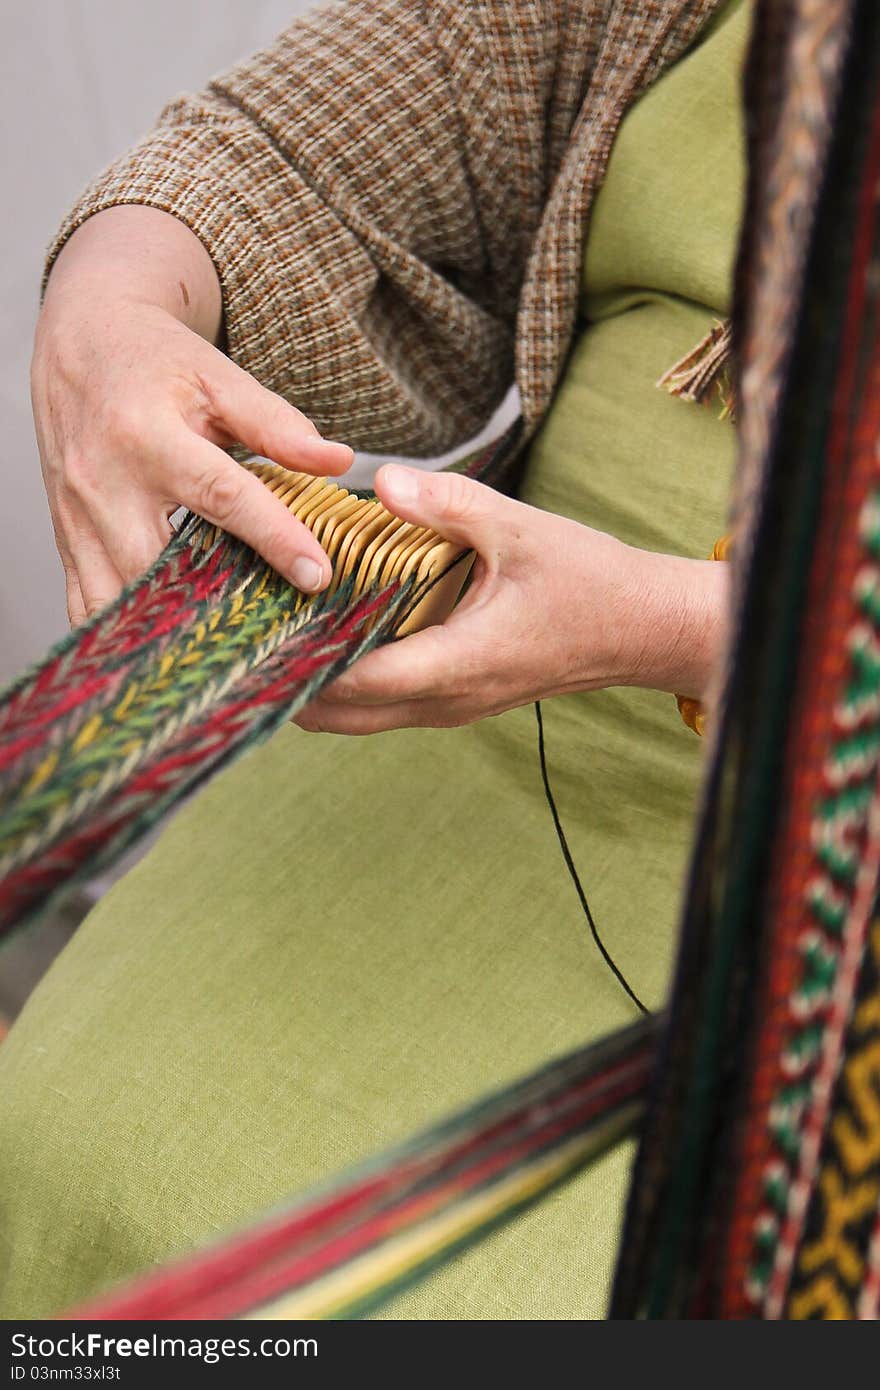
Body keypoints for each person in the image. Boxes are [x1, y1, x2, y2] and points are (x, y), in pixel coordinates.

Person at [0, 0, 748, 1317]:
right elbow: (305, 143)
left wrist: (679, 622)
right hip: (496, 683)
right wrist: (111, 311)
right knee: (80, 1127)